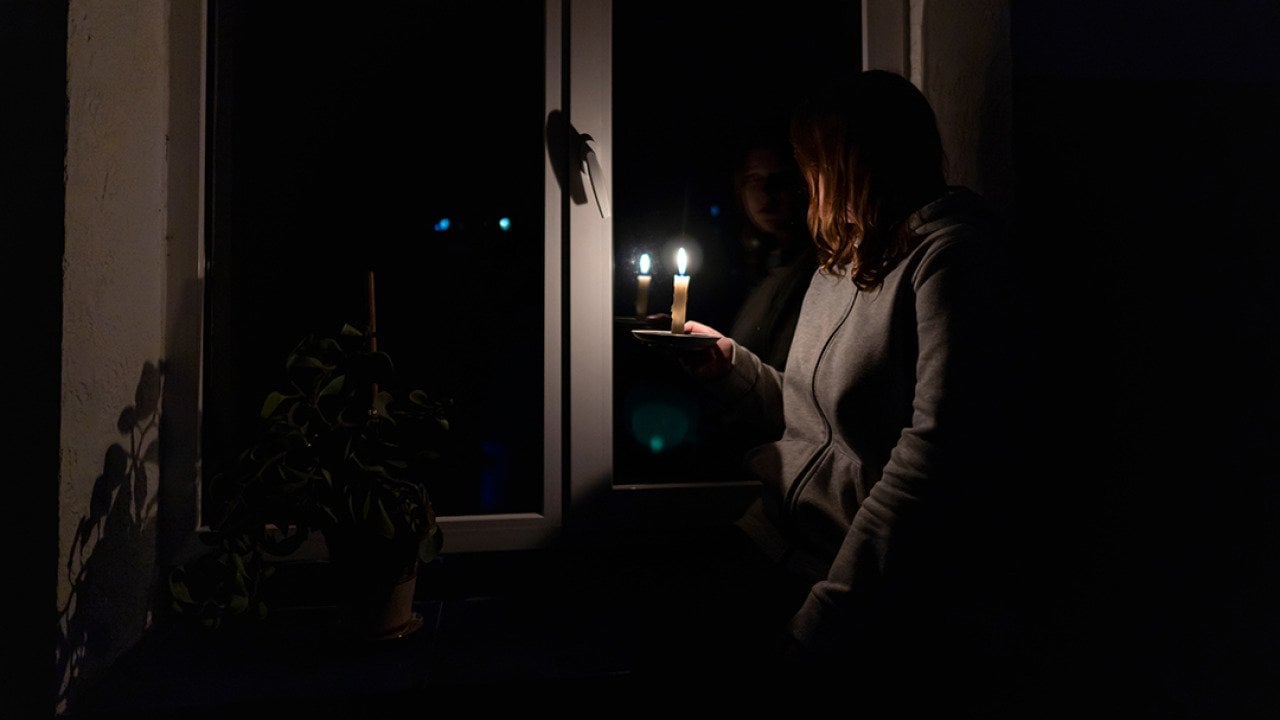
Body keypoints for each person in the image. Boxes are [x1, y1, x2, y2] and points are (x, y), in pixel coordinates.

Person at [661, 70, 1028, 706]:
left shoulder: (952, 261)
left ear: (855, 163)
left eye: (811, 164)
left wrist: (825, 618)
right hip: (779, 543)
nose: (804, 184)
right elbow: (815, 417)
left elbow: (930, 468)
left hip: (867, 590)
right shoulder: (846, 264)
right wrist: (737, 370)